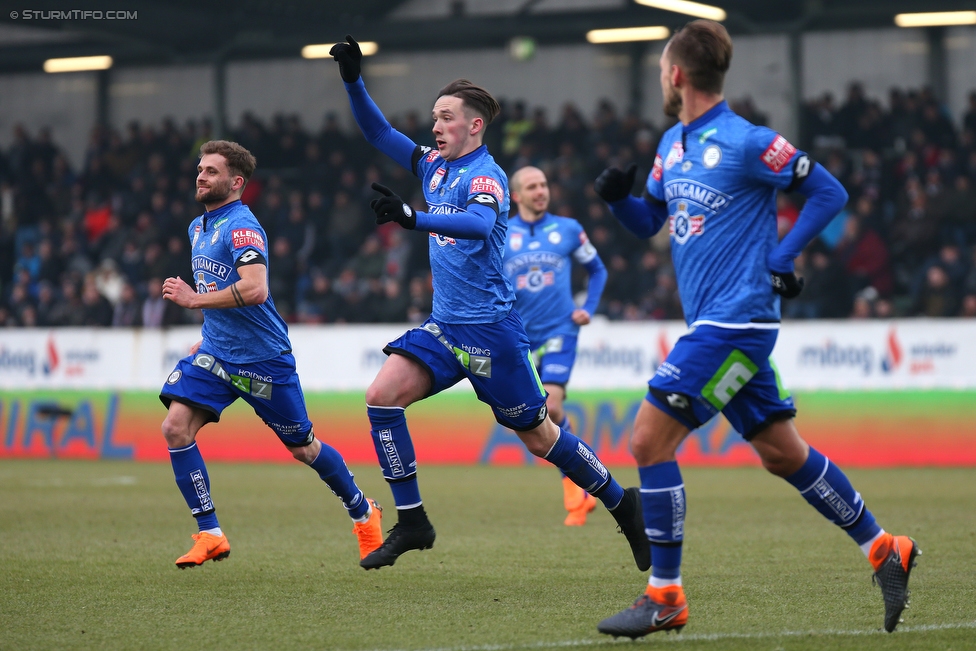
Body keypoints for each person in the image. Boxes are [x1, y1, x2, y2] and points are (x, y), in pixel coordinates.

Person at [592, 20, 918, 638]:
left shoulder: (748, 142)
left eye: (665, 68)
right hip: (720, 320)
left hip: (735, 322)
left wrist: (783, 254)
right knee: (781, 452)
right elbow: (648, 222)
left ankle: (665, 595)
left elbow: (828, 191)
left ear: (678, 74)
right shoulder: (671, 145)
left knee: (646, 442)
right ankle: (885, 548)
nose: (664, 76)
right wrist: (617, 200)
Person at [329, 35, 648, 571]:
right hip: (445, 327)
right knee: (382, 397)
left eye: (446, 117)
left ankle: (622, 503)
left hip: (492, 334)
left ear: (474, 125)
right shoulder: (433, 166)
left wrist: (413, 218)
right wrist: (353, 80)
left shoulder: (487, 176)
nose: (435, 127)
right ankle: (413, 521)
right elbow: (379, 132)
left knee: (541, 436)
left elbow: (477, 226)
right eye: (434, 118)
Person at [158, 139, 383, 568]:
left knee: (304, 448)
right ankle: (210, 533)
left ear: (236, 182)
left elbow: (255, 288)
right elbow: (216, 288)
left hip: (263, 359)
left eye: (211, 171)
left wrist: (193, 303)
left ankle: (362, 510)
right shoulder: (197, 227)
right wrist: (208, 332)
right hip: (218, 355)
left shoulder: (243, 227)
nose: (201, 176)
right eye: (200, 169)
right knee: (175, 428)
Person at [505, 166, 608, 526]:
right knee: (537, 419)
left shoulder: (568, 229)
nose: (540, 191)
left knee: (552, 401)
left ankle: (573, 489)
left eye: (544, 185)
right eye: (532, 187)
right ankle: (578, 480)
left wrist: (588, 308)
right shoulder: (501, 234)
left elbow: (598, 270)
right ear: (516, 196)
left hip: (561, 330)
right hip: (519, 338)